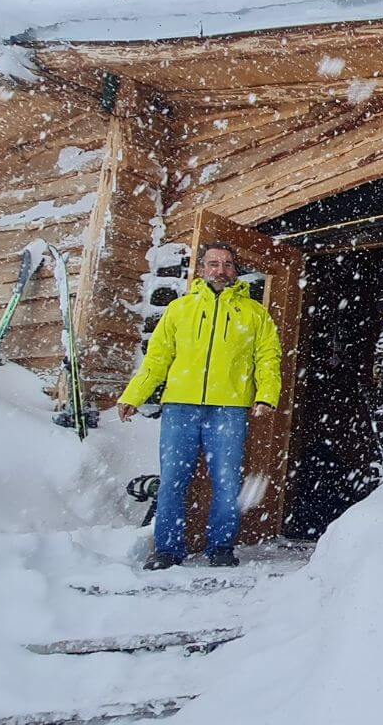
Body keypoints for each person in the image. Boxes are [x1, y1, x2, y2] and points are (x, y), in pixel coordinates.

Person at [117, 242, 282, 569]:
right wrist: (133, 395)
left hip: (229, 408)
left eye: (227, 264)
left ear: (235, 270)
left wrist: (266, 395)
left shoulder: (254, 314)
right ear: (203, 269)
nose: (220, 270)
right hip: (180, 407)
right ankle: (167, 550)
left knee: (227, 482)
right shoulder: (180, 309)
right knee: (173, 480)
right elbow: (157, 359)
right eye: (213, 264)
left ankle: (220, 548)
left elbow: (268, 359)